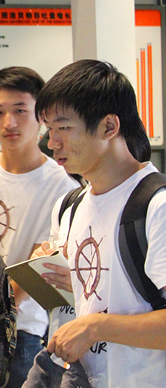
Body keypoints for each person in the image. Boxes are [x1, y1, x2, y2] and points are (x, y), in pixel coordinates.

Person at [34, 59, 166, 388]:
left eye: (64, 128)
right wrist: (53, 275)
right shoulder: (69, 207)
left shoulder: (156, 205)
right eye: (49, 129)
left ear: (109, 126)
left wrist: (95, 327)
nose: (52, 143)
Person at [0, 67, 80, 388]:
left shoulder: (61, 185)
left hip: (19, 331)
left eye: (20, 111)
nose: (9, 122)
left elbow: (39, 265)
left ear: (41, 116)